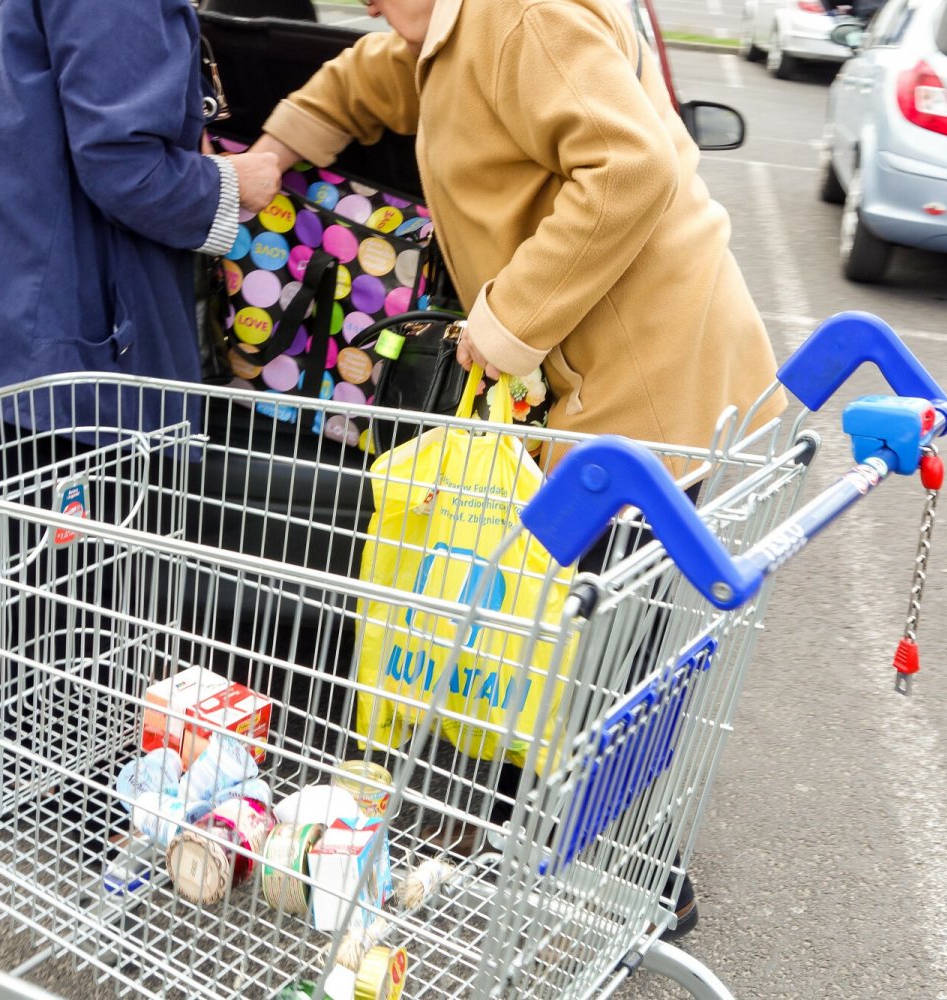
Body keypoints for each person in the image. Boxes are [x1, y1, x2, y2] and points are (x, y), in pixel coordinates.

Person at [248, 0, 787, 940]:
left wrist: (503, 324)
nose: (365, 3)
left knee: (599, 635)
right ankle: (546, 829)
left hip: (645, 374)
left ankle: (634, 871)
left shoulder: (522, 17)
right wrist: (276, 146)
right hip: (589, 377)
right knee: (559, 616)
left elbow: (632, 167)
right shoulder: (448, 36)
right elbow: (374, 73)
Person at [0, 0, 282, 437]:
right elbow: (129, 171)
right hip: (51, 328)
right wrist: (228, 183)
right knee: (66, 502)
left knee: (8, 494)